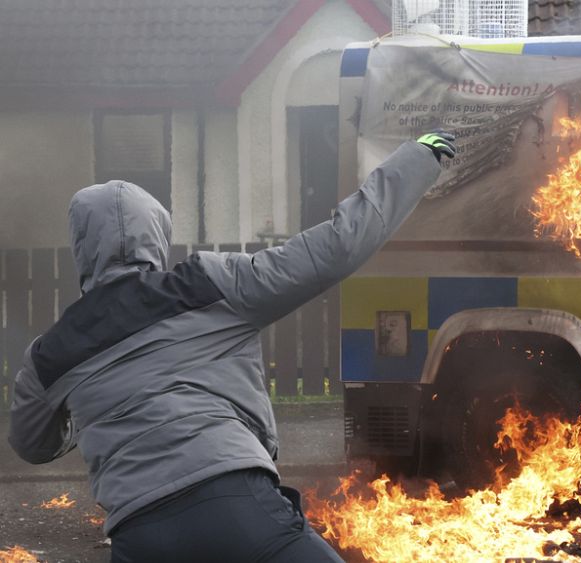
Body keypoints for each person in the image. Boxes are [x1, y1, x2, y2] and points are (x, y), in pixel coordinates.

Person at [7, 131, 457, 562]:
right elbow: (335, 247)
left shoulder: (50, 355)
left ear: (81, 247)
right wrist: (416, 160)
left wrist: (86, 421)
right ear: (157, 236)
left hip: (138, 532)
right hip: (235, 503)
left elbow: (32, 443)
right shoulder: (210, 284)